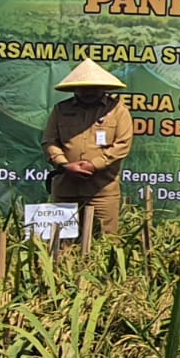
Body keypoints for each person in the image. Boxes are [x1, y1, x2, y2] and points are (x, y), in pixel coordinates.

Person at [43, 61, 134, 234]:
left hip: (102, 192)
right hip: (66, 189)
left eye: (94, 87)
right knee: (62, 243)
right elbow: (49, 141)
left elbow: (122, 145)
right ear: (75, 89)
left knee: (105, 242)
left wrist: (94, 165)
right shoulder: (61, 110)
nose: (89, 92)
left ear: (103, 87)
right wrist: (64, 165)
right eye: (84, 87)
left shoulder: (117, 111)